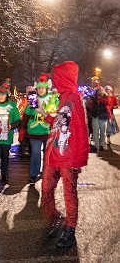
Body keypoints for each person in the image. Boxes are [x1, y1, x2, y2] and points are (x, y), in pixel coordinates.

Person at [37, 61, 89, 248]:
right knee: (46, 188)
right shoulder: (61, 97)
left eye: (56, 77)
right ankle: (56, 219)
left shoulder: (73, 97)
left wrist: (49, 115)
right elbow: (61, 122)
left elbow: (74, 125)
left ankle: (70, 227)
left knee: (69, 192)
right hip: (54, 152)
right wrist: (47, 114)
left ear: (63, 77)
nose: (54, 81)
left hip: (67, 155)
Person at [22, 74, 59, 184]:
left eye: (43, 88)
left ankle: (47, 173)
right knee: (36, 153)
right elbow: (27, 114)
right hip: (34, 130)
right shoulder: (33, 99)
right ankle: (33, 174)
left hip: (48, 130)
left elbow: (55, 113)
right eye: (39, 88)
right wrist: (22, 129)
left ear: (46, 88)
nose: (41, 89)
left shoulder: (52, 98)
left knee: (48, 154)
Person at [87, 85, 109, 155]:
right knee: (96, 132)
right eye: (97, 91)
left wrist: (101, 99)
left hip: (103, 116)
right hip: (95, 116)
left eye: (100, 90)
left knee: (103, 132)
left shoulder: (105, 97)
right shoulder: (92, 98)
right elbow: (89, 106)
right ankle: (97, 145)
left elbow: (108, 103)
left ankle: (103, 144)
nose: (99, 92)